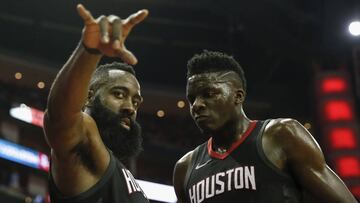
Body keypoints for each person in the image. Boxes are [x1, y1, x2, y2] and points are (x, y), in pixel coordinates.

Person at [173, 50, 357, 203]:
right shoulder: (184, 168)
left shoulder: (281, 135)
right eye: (191, 99)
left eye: (208, 93)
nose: (197, 104)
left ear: (238, 96)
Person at [43, 4, 150, 203]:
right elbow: (60, 118)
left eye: (136, 102)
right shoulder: (84, 139)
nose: (130, 107)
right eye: (119, 94)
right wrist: (90, 51)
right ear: (88, 97)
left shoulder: (115, 166)